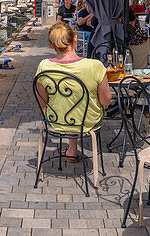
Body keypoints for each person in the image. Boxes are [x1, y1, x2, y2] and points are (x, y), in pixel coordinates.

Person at [34, 22, 112, 161]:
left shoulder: (44, 66)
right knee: (79, 106)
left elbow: (42, 102)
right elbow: (106, 101)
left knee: (66, 104)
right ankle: (72, 150)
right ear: (75, 38)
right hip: (88, 121)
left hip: (56, 120)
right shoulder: (95, 66)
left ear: (53, 46)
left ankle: (72, 150)